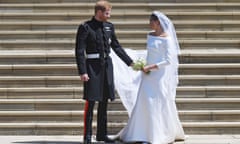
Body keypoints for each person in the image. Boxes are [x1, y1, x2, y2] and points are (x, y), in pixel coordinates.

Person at [112, 11, 185, 144]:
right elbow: (150, 53)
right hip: (147, 75)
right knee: (144, 100)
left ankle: (159, 133)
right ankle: (141, 133)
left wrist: (151, 67)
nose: (149, 23)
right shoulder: (150, 35)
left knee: (158, 101)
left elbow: (168, 60)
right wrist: (142, 64)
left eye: (151, 21)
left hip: (158, 75)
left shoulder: (167, 38)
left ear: (158, 22)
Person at [75, 0, 133, 143]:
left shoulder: (109, 27)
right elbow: (79, 50)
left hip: (106, 67)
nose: (109, 15)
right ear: (99, 12)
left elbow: (116, 47)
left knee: (104, 102)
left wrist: (131, 63)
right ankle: (87, 135)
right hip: (92, 67)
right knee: (91, 102)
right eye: (107, 13)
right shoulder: (85, 27)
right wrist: (83, 71)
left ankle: (102, 134)